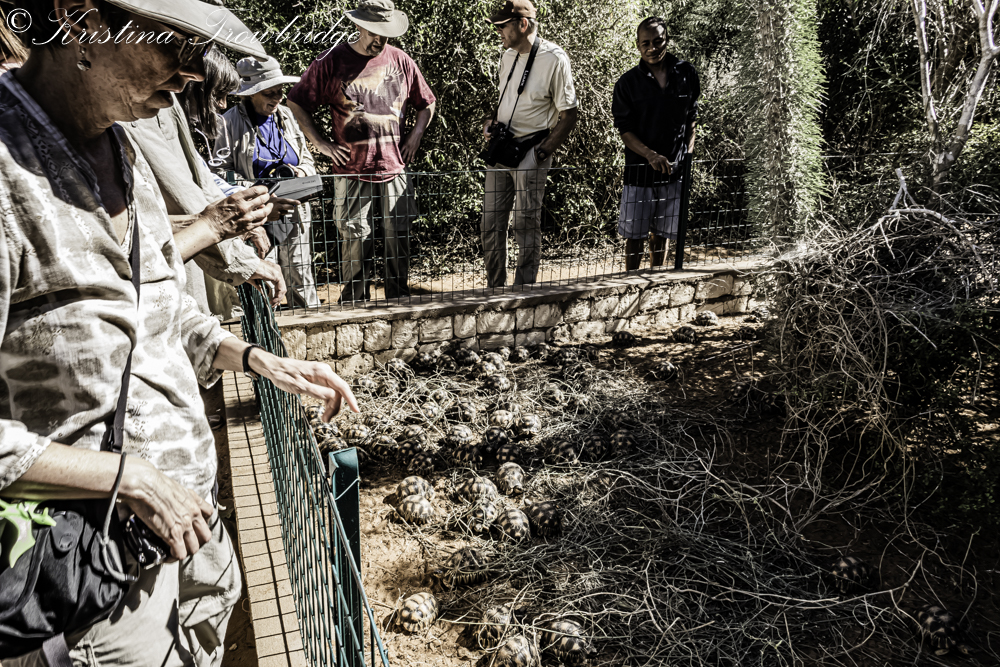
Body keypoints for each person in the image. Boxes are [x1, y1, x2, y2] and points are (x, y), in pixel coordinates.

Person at [0, 3, 358, 667]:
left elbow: (159, 309)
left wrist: (257, 359)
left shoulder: (120, 144)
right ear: (79, 22)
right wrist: (126, 477)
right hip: (93, 575)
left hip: (188, 528)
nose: (193, 74)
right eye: (175, 47)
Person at [122, 48, 291, 321]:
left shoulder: (172, 116)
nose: (222, 105)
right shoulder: (147, 114)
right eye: (216, 94)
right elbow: (186, 195)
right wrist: (242, 257)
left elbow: (203, 181)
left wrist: (246, 218)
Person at [287, 0, 436, 304]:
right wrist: (321, 144)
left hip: (394, 166)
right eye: (373, 32)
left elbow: (427, 103)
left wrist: (415, 137)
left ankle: (398, 300)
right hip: (351, 169)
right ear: (358, 25)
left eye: (385, 32)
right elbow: (297, 101)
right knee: (355, 236)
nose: (379, 39)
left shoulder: (401, 60)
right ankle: (354, 303)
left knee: (398, 234)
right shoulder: (330, 61)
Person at [481, 0, 578, 288]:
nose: (498, 31)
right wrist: (490, 121)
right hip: (501, 149)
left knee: (525, 223)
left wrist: (541, 153)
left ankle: (524, 292)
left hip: (531, 150)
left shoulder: (554, 58)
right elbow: (505, 100)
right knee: (490, 224)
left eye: (502, 26)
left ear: (523, 24)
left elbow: (569, 115)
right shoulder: (507, 55)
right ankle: (495, 291)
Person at [216, 56, 321, 309]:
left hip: (295, 207)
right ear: (251, 93)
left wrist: (298, 172)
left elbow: (307, 159)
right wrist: (258, 188)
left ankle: (309, 319)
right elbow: (218, 172)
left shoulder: (287, 116)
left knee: (300, 271)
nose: (277, 98)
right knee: (266, 273)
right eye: (269, 93)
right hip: (258, 212)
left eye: (280, 92)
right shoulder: (228, 123)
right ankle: (268, 326)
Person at [612, 17, 700, 271]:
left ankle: (656, 281)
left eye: (658, 41)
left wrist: (687, 157)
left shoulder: (687, 73)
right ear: (638, 45)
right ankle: (631, 283)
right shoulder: (627, 83)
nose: (652, 48)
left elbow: (691, 119)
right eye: (646, 43)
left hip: (674, 173)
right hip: (638, 175)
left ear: (667, 40)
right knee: (635, 237)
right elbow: (625, 131)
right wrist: (650, 155)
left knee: (662, 235)